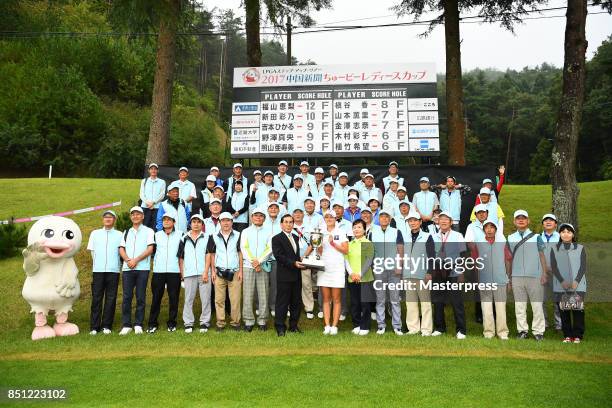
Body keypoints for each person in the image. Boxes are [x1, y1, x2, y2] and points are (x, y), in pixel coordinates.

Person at [507, 209, 548, 341]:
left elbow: (542, 256)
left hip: (535, 276)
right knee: (519, 305)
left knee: (537, 306)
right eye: (518, 218)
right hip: (517, 276)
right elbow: (508, 259)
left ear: (528, 220)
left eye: (523, 218)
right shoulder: (510, 238)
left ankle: (538, 331)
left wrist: (544, 273)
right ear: (514, 221)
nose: (521, 220)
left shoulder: (537, 237)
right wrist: (509, 277)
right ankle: (522, 330)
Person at [118, 206, 155, 335]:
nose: (135, 216)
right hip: (128, 268)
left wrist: (136, 260)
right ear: (130, 217)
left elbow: (150, 249)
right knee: (127, 297)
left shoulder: (149, 231)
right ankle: (126, 324)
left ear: (143, 216)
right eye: (133, 214)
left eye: (138, 214)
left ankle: (138, 324)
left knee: (140, 297)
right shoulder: (126, 232)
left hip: (142, 268)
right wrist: (128, 260)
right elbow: (121, 249)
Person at [431, 211, 468, 339]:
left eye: (446, 219)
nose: (443, 221)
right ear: (438, 222)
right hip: (438, 272)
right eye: (441, 219)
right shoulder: (434, 236)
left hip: (453, 272)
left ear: (451, 222)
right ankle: (439, 328)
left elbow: (462, 255)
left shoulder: (458, 236)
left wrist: (461, 272)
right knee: (438, 301)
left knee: (456, 301)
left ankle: (461, 330)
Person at [87, 210, 123, 335]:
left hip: (113, 271)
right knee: (96, 298)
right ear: (103, 219)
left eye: (111, 217)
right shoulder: (95, 233)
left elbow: (121, 252)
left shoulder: (120, 234)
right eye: (106, 217)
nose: (108, 219)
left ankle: (107, 325)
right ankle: (94, 327)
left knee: (111, 298)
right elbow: (92, 251)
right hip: (98, 270)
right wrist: (97, 264)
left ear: (114, 220)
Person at [474, 219, 511, 340]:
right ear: (484, 229)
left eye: (492, 227)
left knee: (501, 309)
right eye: (487, 227)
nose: (489, 230)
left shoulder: (502, 242)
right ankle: (488, 332)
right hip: (484, 281)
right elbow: (475, 263)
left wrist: (508, 278)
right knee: (486, 309)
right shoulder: (478, 243)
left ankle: (503, 333)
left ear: (496, 229)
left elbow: (507, 260)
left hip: (500, 280)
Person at [550, 223, 586, 343]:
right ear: (559, 234)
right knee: (564, 311)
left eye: (569, 232)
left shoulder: (580, 248)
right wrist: (562, 281)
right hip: (561, 286)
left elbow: (583, 267)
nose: (566, 234)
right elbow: (554, 267)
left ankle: (577, 335)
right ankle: (567, 335)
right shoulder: (555, 249)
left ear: (573, 234)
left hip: (578, 285)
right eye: (563, 232)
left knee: (577, 310)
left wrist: (576, 281)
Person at [207, 212, 243, 331]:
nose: (226, 223)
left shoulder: (238, 235)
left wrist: (241, 271)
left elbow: (240, 254)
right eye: (223, 221)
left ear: (232, 222)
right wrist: (212, 271)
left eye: (228, 220)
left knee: (235, 299)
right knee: (219, 299)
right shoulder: (213, 236)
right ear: (220, 222)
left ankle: (235, 323)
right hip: (219, 272)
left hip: (235, 271)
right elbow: (212, 255)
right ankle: (220, 323)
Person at [271, 214, 306, 336]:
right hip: (284, 276)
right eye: (286, 222)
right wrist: (294, 263)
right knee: (282, 303)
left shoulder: (296, 237)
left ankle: (293, 326)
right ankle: (280, 327)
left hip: (296, 276)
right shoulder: (276, 239)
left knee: (296, 302)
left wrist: (303, 261)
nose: (289, 224)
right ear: (281, 224)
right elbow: (279, 256)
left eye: (291, 222)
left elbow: (296, 256)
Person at [371, 209, 404, 335]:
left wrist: (399, 265)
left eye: (386, 217)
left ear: (390, 220)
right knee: (380, 299)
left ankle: (397, 326)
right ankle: (381, 325)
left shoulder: (396, 232)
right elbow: (370, 251)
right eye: (382, 217)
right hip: (379, 269)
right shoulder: (372, 232)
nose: (384, 219)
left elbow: (400, 250)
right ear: (378, 219)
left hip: (393, 269)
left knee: (394, 299)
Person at [147, 213, 182, 333]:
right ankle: (152, 323)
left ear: (174, 222)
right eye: (164, 220)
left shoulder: (180, 234)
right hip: (159, 271)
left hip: (174, 271)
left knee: (174, 298)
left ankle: (172, 323)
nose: (166, 222)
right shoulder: (156, 235)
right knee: (156, 298)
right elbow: (152, 252)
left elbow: (182, 253)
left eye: (169, 220)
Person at [402, 211, 436, 336]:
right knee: (410, 303)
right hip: (408, 274)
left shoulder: (427, 236)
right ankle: (413, 328)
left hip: (423, 275)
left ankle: (426, 329)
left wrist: (429, 272)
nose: (412, 223)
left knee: (425, 303)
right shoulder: (405, 236)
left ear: (420, 222)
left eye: (415, 220)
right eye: (410, 221)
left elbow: (432, 256)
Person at [178, 214, 211, 333]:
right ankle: (188, 323)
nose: (196, 224)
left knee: (206, 299)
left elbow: (208, 255)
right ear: (190, 224)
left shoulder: (207, 237)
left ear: (202, 224)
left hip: (204, 273)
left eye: (198, 222)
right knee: (188, 299)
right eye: (194, 222)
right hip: (189, 273)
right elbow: (181, 258)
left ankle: (204, 323)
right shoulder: (184, 238)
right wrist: (182, 274)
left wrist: (206, 271)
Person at [317, 210, 349, 335]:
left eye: (331, 217)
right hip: (324, 267)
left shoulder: (340, 232)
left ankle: (335, 326)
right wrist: (318, 245)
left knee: (336, 299)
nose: (329, 218)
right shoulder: (320, 231)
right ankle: (327, 325)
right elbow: (319, 251)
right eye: (327, 217)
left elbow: (346, 250)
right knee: (326, 299)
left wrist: (332, 243)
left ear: (336, 218)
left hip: (337, 268)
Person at [240, 208, 272, 331]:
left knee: (263, 294)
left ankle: (262, 321)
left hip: (262, 266)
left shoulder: (269, 232)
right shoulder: (246, 231)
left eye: (261, 216)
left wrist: (259, 261)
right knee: (248, 294)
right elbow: (244, 247)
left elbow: (269, 248)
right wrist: (254, 262)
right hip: (249, 266)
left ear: (264, 218)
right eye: (256, 216)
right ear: (252, 218)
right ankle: (248, 321)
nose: (258, 218)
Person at [346, 219, 376, 335]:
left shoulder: (368, 243)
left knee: (365, 303)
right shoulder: (349, 244)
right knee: (354, 303)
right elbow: (346, 260)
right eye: (354, 227)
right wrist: (352, 273)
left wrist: (359, 274)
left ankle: (365, 326)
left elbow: (368, 260)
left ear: (364, 230)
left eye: (359, 227)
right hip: (352, 278)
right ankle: (357, 324)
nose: (356, 229)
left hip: (365, 278)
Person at [292, 208, 316, 320]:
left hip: (305, 259)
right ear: (292, 215)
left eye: (300, 213)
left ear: (303, 215)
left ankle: (309, 308)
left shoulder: (309, 227)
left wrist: (304, 256)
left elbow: (313, 243)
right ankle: (291, 306)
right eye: (295, 213)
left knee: (306, 284)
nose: (297, 215)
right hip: (292, 260)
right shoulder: (289, 227)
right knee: (291, 285)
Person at [540, 213, 562, 331]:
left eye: (551, 220)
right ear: (543, 224)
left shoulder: (561, 237)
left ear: (555, 224)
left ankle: (559, 325)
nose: (548, 222)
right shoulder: (538, 237)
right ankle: (544, 324)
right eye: (545, 220)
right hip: (542, 273)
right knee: (541, 300)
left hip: (557, 274)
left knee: (557, 300)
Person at [265, 201, 282, 316]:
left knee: (275, 284)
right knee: (263, 284)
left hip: (276, 258)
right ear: (268, 210)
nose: (273, 210)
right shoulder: (262, 222)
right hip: (263, 258)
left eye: (276, 208)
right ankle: (260, 306)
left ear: (279, 210)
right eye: (271, 208)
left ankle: (273, 306)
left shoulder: (281, 224)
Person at [139, 163, 166, 230]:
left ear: (157, 171)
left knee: (155, 226)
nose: (153, 170)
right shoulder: (144, 181)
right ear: (149, 170)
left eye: (155, 169)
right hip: (145, 206)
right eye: (151, 169)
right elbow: (141, 194)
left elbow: (162, 195)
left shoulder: (162, 182)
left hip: (157, 207)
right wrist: (148, 203)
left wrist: (153, 202)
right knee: (144, 225)